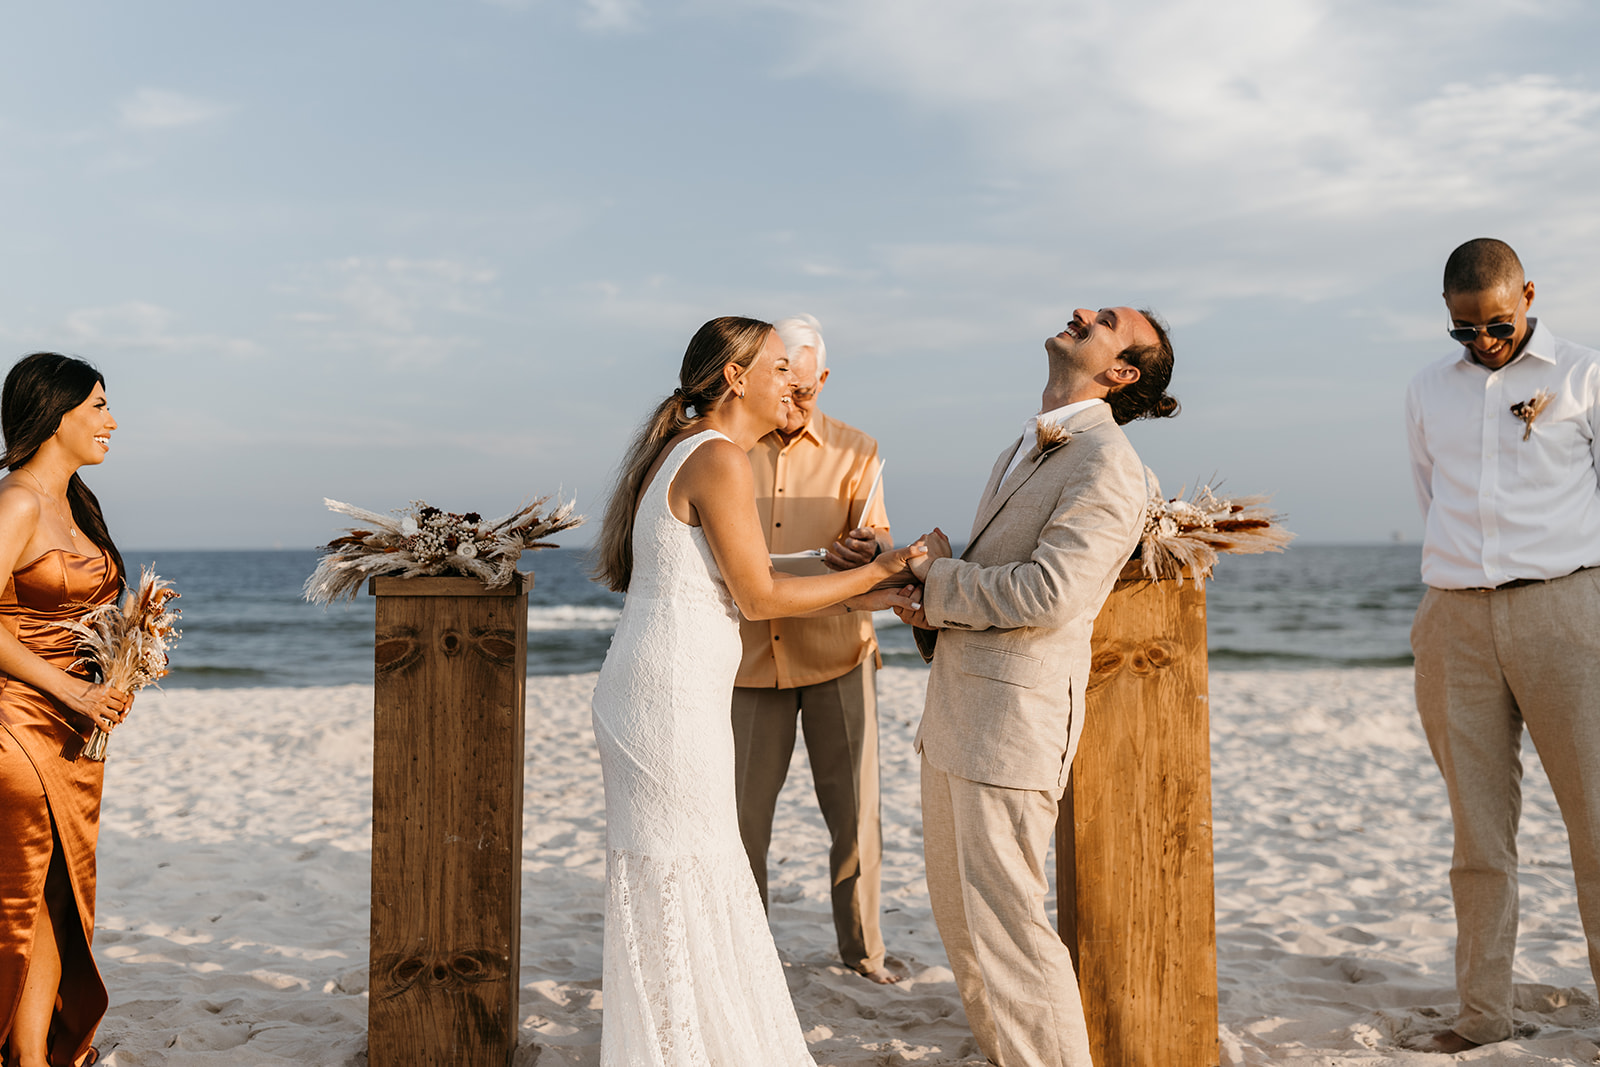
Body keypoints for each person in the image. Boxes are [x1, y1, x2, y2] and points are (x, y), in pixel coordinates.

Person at [590, 316, 923, 1065]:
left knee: (682, 872)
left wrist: (871, 592)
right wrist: (880, 571)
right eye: (780, 368)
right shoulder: (719, 458)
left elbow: (754, 575)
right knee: (696, 866)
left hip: (657, 688)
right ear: (736, 377)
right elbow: (760, 593)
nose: (795, 384)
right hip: (670, 699)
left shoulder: (686, 448)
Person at [896, 306, 1178, 1067]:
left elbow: (1050, 594)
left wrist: (934, 576)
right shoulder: (1025, 446)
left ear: (1121, 373)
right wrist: (916, 577)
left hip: (1011, 725)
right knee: (967, 934)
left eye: (1106, 320)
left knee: (1012, 938)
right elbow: (995, 576)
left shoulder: (1109, 464)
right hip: (956, 717)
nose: (1082, 312)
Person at [1402, 238, 1600, 1054]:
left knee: (1594, 821)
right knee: (1477, 836)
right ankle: (1482, 1016)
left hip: (1567, 613)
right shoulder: (1425, 391)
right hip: (1455, 620)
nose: (1483, 342)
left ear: (1527, 294)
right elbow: (1430, 492)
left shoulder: (1581, 375)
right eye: (1463, 331)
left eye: (1497, 324)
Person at [730, 314, 900, 985]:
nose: (793, 401)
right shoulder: (729, 447)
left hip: (839, 654)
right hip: (748, 661)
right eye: (783, 385)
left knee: (856, 819)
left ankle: (864, 956)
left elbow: (878, 541)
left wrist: (870, 549)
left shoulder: (860, 449)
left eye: (806, 389)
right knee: (743, 822)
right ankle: (746, 958)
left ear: (822, 379)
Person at [0, 353, 133, 1067]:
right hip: (15, 726)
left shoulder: (80, 502)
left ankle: (34, 1056)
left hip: (75, 736)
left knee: (58, 903)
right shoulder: (16, 500)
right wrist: (70, 688)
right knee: (19, 900)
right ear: (56, 414)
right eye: (99, 406)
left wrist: (121, 667)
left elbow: (89, 615)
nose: (111, 421)